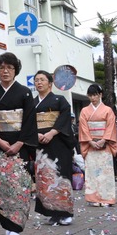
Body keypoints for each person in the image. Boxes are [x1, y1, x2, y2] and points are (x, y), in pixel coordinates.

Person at [0, 52, 37, 235]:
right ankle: (7, 224)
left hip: (19, 148)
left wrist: (20, 143)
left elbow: (30, 121)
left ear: (15, 70)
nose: (5, 71)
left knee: (19, 187)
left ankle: (16, 226)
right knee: (2, 188)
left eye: (10, 68)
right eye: (2, 67)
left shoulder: (25, 92)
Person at [33, 70, 75, 225]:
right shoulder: (32, 102)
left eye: (42, 80)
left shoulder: (60, 100)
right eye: (36, 80)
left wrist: (51, 132)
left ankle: (66, 212)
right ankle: (51, 212)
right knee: (44, 176)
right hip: (40, 144)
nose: (39, 82)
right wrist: (35, 133)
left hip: (58, 142)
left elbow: (64, 118)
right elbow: (28, 121)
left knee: (61, 175)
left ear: (50, 83)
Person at [79, 83, 117, 207]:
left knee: (105, 173)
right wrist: (90, 141)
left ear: (100, 95)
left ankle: (107, 198)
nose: (93, 98)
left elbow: (111, 126)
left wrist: (104, 140)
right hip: (90, 145)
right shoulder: (84, 111)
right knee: (92, 172)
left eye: (95, 95)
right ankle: (93, 198)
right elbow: (83, 128)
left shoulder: (107, 110)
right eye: (90, 95)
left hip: (104, 145)